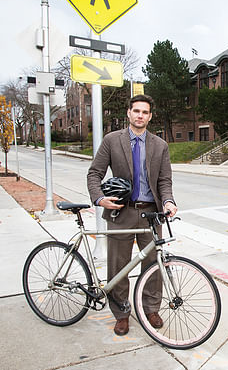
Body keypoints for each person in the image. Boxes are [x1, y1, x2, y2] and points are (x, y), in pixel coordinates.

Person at [87, 94, 177, 336]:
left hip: (151, 215)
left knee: (153, 266)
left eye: (145, 112)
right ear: (128, 113)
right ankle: (122, 313)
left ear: (150, 116)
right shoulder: (112, 140)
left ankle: (150, 309)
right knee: (119, 268)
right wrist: (99, 198)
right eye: (136, 111)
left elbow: (164, 181)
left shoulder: (160, 145)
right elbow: (94, 173)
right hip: (121, 213)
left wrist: (168, 201)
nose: (140, 115)